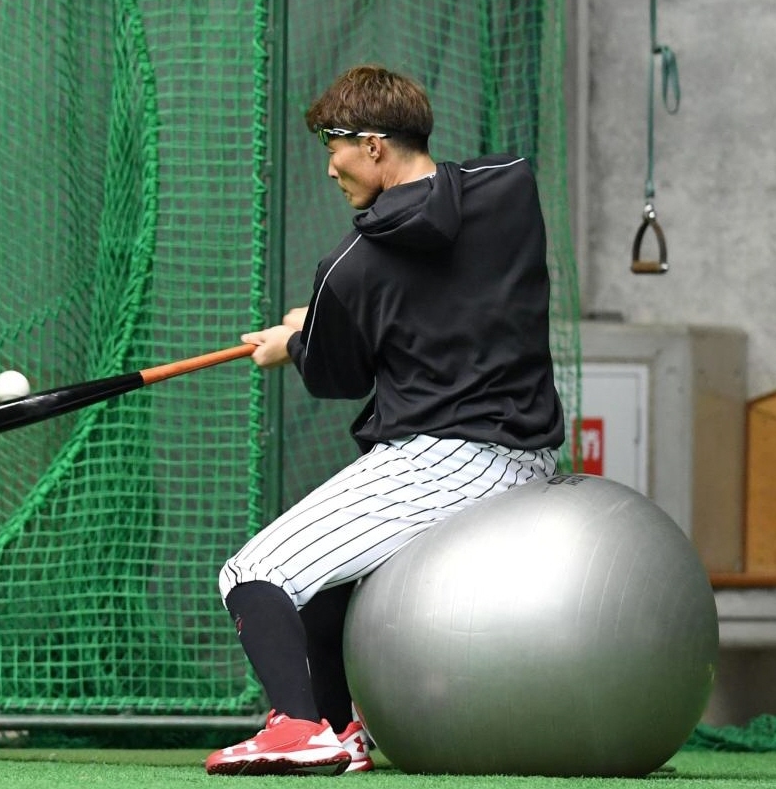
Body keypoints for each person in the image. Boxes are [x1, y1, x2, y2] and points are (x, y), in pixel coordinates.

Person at [205, 64, 564, 776]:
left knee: (254, 573)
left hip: (446, 458)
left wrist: (294, 344)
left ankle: (296, 726)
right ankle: (341, 731)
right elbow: (443, 284)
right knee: (325, 580)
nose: (330, 167)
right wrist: (324, 321)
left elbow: (337, 375)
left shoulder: (348, 266)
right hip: (530, 458)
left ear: (372, 146)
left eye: (334, 148)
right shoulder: (510, 188)